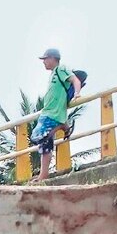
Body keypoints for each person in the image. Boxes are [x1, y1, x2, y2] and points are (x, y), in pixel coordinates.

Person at [33, 48, 84, 180]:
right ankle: (43, 174)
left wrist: (77, 94)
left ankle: (62, 125)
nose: (44, 62)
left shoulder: (61, 69)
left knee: (38, 136)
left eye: (45, 59)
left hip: (53, 113)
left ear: (53, 58)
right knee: (45, 145)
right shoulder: (53, 74)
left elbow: (75, 80)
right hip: (48, 111)